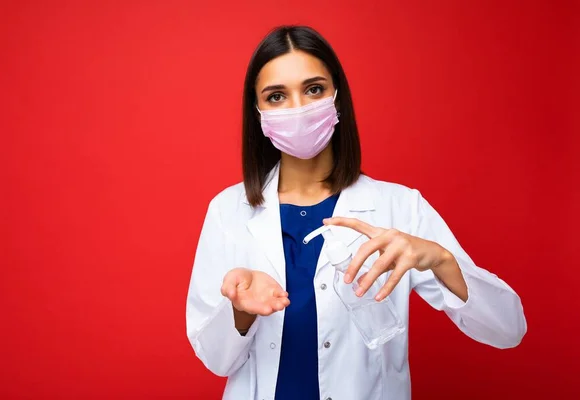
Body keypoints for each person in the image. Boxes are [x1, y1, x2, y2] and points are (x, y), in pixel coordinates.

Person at [185, 25, 526, 400]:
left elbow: (507, 329)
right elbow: (215, 360)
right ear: (259, 113)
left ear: (337, 98)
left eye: (313, 89)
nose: (298, 109)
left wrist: (441, 260)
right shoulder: (227, 211)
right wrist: (240, 311)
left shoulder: (399, 207)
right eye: (277, 96)